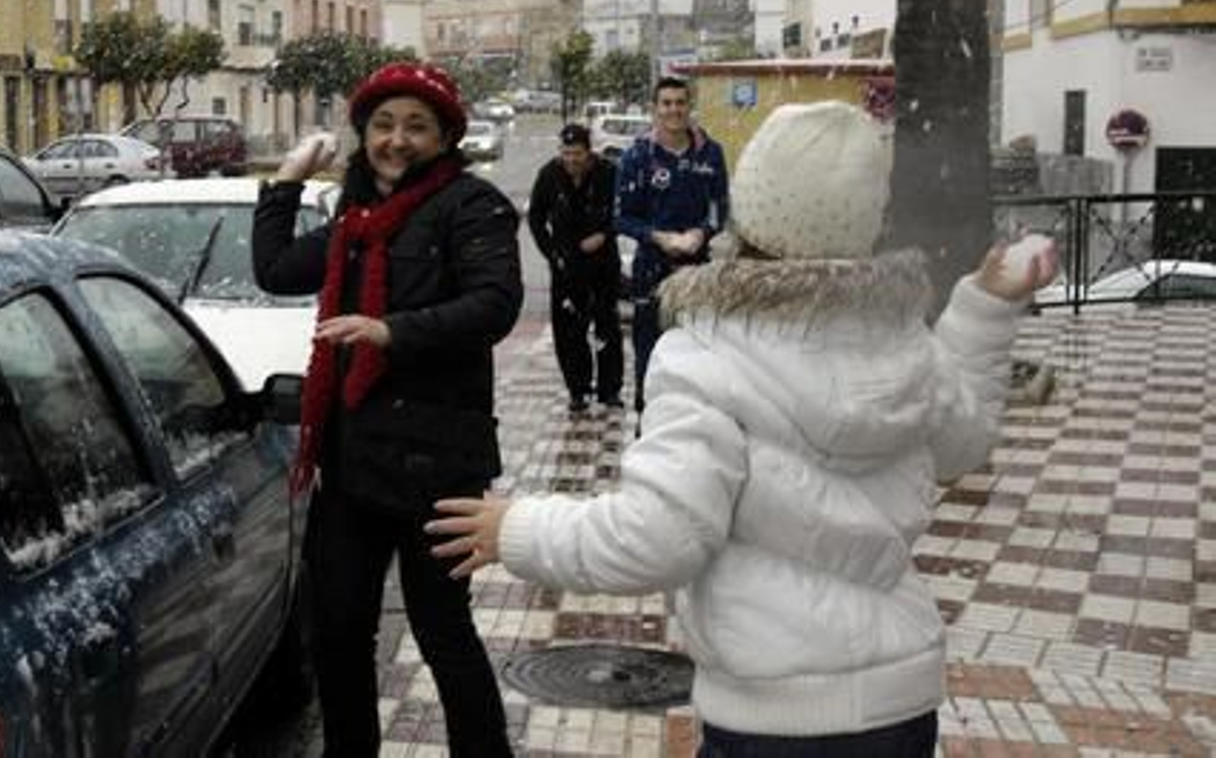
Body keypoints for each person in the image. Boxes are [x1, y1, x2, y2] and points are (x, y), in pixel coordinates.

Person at [425, 101, 1060, 756]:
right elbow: (965, 441)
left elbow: (659, 538)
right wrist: (985, 308)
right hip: (899, 706)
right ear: (869, 222)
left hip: (770, 718)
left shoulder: (708, 354)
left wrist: (521, 528)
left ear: (748, 210)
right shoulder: (903, 342)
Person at [252, 60, 522, 757]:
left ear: (444, 136)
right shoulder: (355, 219)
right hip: (353, 463)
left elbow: (495, 304)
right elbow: (277, 270)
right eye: (382, 125)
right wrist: (284, 182)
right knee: (338, 631)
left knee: (441, 631)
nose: (395, 140)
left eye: (415, 126)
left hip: (440, 465)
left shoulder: (473, 205)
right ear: (364, 132)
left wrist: (392, 332)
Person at [615, 75, 729, 415]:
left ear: (689, 105)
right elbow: (621, 217)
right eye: (666, 103)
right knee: (648, 348)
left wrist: (702, 232)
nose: (674, 110)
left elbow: (720, 208)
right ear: (655, 108)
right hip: (651, 267)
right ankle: (647, 418)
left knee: (697, 346)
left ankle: (693, 418)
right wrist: (657, 236)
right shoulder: (637, 156)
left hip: (697, 268)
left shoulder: (711, 153)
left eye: (680, 103)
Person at [527, 122, 623, 413]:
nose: (571, 160)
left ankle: (609, 390)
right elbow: (535, 218)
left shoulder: (608, 172)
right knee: (569, 330)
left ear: (588, 152)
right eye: (566, 153)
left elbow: (623, 210)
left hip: (603, 262)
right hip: (566, 266)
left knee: (607, 325)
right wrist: (552, 253)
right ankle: (578, 389)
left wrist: (604, 234)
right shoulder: (550, 174)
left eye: (577, 154)